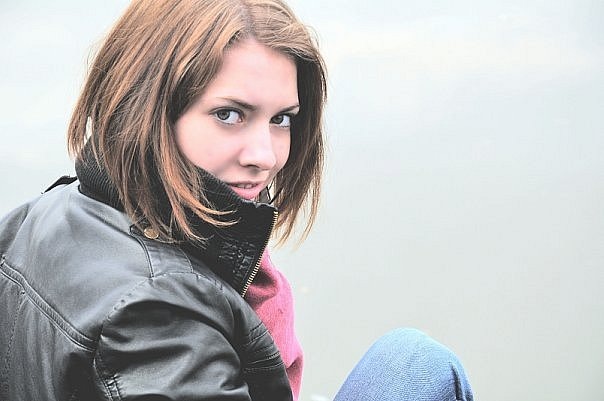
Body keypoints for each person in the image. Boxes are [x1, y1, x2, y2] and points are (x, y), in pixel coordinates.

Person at [0, 0, 473, 400]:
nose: (265, 156)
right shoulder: (158, 318)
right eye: (229, 115)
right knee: (415, 363)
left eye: (281, 119)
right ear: (148, 110)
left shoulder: (45, 211)